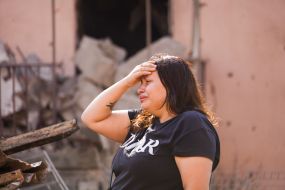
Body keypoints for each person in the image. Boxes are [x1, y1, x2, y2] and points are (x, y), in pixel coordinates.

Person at [81, 53, 220, 190]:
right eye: (140, 83)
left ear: (171, 85)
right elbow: (91, 118)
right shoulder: (143, 122)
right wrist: (127, 81)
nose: (140, 90)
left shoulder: (191, 123)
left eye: (147, 82)